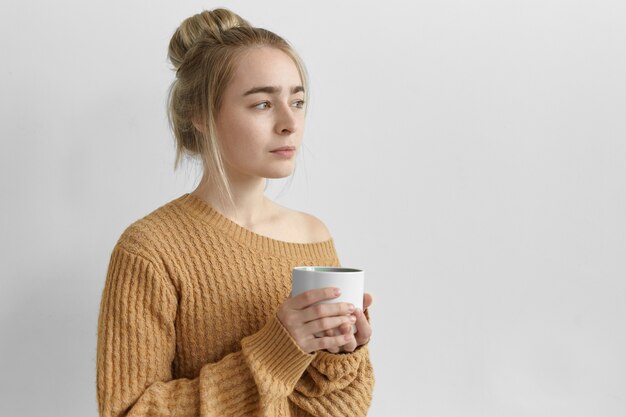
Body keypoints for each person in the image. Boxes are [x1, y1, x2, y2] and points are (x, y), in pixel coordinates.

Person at [96, 8, 374, 417]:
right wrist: (277, 350)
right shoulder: (150, 249)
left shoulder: (313, 235)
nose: (289, 123)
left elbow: (348, 408)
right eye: (262, 104)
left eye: (297, 101)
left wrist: (340, 358)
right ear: (200, 114)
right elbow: (129, 412)